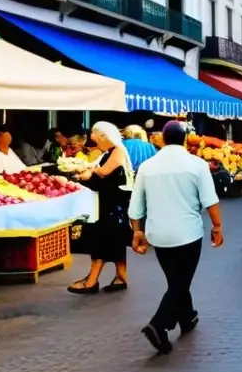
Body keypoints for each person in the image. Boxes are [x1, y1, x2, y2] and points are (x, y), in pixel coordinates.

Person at [129, 121, 223, 354]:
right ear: (184, 139)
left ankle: (187, 317)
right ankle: (158, 325)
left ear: (162, 139)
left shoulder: (147, 167)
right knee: (182, 281)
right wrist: (217, 227)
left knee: (176, 280)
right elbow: (210, 200)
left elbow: (136, 207)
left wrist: (137, 232)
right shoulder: (197, 164)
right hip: (188, 232)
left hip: (158, 235)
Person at [68, 122, 134, 294]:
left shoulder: (117, 150)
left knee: (102, 241)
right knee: (115, 241)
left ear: (104, 136)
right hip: (111, 204)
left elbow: (104, 172)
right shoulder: (109, 152)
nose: (95, 142)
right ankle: (121, 277)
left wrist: (89, 172)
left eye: (96, 138)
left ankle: (91, 281)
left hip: (113, 205)